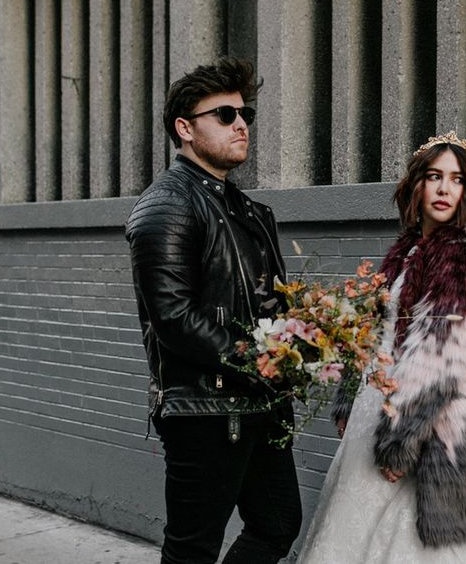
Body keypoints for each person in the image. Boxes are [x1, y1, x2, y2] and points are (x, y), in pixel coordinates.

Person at [298, 131, 466, 563]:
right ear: (417, 184)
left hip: (431, 419)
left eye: (457, 179)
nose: (444, 189)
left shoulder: (464, 255)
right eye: (434, 176)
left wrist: (403, 439)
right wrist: (349, 396)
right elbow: (372, 333)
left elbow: (444, 358)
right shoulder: (407, 251)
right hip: (379, 404)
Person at [125, 58, 302, 564]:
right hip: (204, 409)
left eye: (245, 114)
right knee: (192, 549)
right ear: (185, 128)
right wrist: (259, 360)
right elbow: (174, 317)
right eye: (224, 114)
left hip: (259, 404)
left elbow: (268, 302)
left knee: (276, 525)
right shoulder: (167, 205)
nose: (241, 123)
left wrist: (300, 344)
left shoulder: (248, 210)